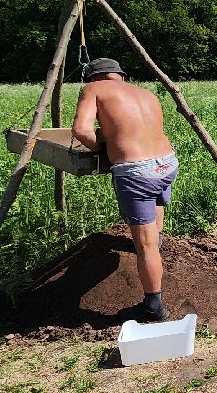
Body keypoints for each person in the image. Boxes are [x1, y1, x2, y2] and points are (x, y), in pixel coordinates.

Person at [71, 57, 177, 322]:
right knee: (157, 204)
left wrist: (99, 146)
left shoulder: (93, 89)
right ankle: (159, 238)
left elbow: (81, 130)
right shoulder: (146, 93)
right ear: (120, 76)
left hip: (137, 172)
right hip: (166, 163)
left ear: (95, 78)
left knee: (144, 244)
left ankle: (153, 306)